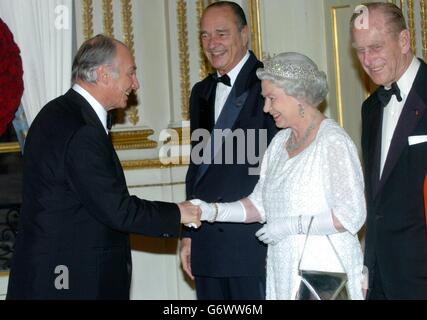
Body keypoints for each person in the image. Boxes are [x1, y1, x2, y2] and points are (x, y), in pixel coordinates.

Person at [6, 34, 200, 300]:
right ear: (103, 75)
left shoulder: (57, 112)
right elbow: (116, 209)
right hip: (71, 283)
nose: (136, 83)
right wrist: (178, 213)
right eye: (130, 73)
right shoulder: (82, 129)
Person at [192, 52, 367, 299]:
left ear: (299, 96)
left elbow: (351, 215)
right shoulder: (279, 143)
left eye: (271, 99)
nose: (266, 108)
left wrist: (289, 226)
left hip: (324, 276)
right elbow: (259, 204)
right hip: (284, 269)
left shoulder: (333, 142)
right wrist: (212, 211)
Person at [180, 1, 277, 300]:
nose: (212, 44)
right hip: (207, 242)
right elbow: (197, 166)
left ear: (244, 34)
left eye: (221, 33)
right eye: (205, 36)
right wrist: (188, 234)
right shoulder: (201, 92)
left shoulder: (270, 83)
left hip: (250, 245)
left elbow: (277, 168)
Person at [350, 3, 427, 299]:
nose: (367, 60)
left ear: (405, 40)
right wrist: (367, 265)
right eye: (360, 50)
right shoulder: (370, 108)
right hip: (380, 279)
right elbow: (376, 198)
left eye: (376, 47)